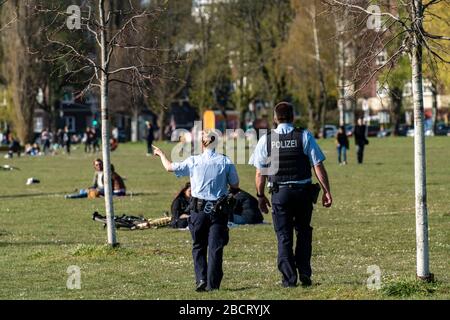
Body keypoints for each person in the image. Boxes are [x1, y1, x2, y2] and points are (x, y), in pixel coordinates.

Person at [249, 101, 332, 288]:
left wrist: (260, 196)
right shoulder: (304, 135)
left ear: (275, 118)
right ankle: (304, 271)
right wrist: (326, 190)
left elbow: (259, 173)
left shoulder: (266, 140)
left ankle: (289, 279)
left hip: (280, 194)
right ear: (293, 117)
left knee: (284, 236)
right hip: (302, 193)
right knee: (303, 232)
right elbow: (317, 165)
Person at [152, 131, 240, 292]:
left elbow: (169, 167)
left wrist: (161, 154)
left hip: (198, 211)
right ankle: (213, 285)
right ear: (217, 144)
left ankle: (201, 279)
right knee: (215, 248)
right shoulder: (225, 161)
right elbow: (235, 185)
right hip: (218, 211)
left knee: (199, 246)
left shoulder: (194, 161)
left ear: (202, 144)